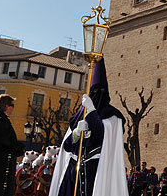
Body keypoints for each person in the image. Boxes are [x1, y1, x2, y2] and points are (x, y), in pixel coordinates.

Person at [49, 59, 128, 196]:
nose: (97, 93)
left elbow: (102, 136)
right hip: (73, 172)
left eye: (100, 91)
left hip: (97, 170)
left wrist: (92, 111)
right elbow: (67, 147)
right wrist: (76, 133)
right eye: (94, 90)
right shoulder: (79, 116)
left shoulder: (112, 116)